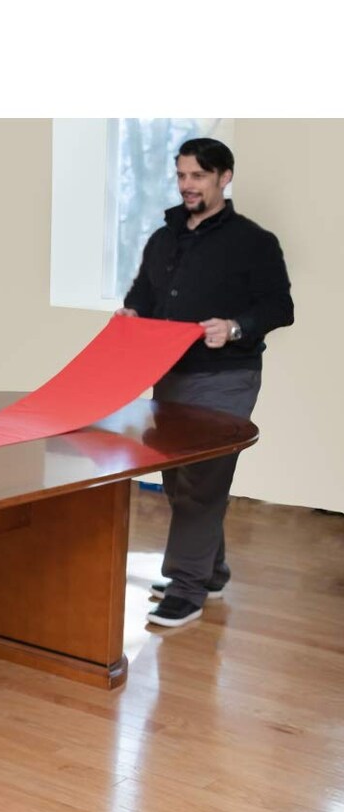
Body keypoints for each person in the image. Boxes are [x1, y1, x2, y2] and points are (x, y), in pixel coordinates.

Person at [117, 137, 293, 628]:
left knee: (203, 479)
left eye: (198, 175)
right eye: (181, 175)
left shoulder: (254, 242)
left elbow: (279, 307)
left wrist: (234, 327)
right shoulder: (163, 238)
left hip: (225, 377)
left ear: (224, 177)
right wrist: (132, 313)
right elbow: (144, 295)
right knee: (178, 478)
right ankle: (211, 570)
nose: (187, 185)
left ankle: (187, 587)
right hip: (169, 375)